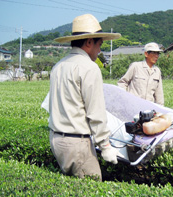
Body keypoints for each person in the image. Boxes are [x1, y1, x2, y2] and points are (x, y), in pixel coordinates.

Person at [47, 14, 123, 180]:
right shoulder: (89, 67)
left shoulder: (59, 66)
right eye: (99, 45)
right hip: (77, 144)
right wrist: (105, 145)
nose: (100, 50)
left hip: (56, 139)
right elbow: (95, 112)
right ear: (89, 42)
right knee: (92, 193)